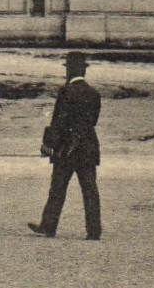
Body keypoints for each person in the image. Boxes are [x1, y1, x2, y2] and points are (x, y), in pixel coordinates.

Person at [29, 51, 102, 240]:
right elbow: (93, 121)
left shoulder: (66, 92)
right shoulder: (94, 94)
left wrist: (48, 145)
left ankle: (48, 226)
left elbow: (58, 121)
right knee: (90, 190)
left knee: (58, 189)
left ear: (69, 71)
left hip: (66, 149)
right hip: (87, 147)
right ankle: (94, 231)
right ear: (83, 71)